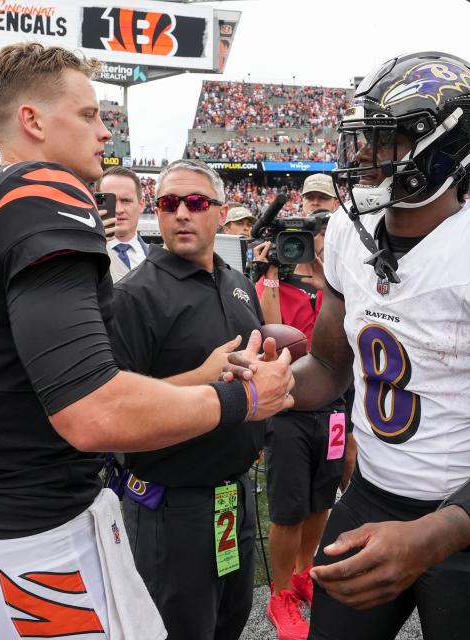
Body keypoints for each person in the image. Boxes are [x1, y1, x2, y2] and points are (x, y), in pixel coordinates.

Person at [0, 43, 294, 640]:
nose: (103, 130)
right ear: (34, 121)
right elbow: (94, 413)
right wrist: (245, 400)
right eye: (88, 114)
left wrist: (206, 378)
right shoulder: (39, 188)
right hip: (34, 540)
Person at [237, 52, 470, 639]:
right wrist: (264, 386)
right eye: (359, 141)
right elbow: (326, 365)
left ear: (445, 148)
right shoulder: (347, 230)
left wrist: (435, 534)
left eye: (383, 141)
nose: (361, 159)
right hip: (371, 493)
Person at [112, 159, 267, 640]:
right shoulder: (133, 296)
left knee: (229, 622)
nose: (182, 213)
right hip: (171, 504)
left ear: (220, 213)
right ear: (155, 214)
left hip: (233, 494)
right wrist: (201, 379)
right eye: (169, 203)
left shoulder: (238, 283)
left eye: (196, 203)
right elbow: (116, 411)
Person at [253, 174, 346, 639]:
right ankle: (280, 593)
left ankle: (304, 573)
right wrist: (269, 278)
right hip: (289, 410)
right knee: (287, 509)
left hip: (332, 409)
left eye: (323, 213)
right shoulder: (274, 279)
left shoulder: (346, 278)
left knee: (320, 501)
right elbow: (274, 347)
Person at [100, 165, 148, 282]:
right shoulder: (84, 255)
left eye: (126, 200)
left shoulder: (158, 260)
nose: (118, 209)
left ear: (141, 205)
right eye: (110, 201)